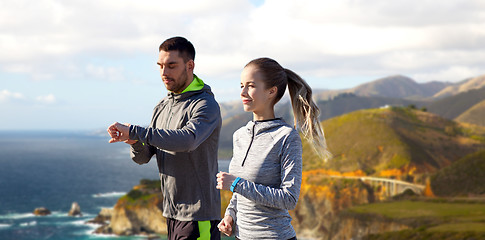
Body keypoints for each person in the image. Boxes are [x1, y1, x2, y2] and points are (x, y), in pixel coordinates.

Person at [107, 36, 222, 240]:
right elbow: (143, 157)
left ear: (190, 65)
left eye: (171, 66)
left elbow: (187, 140)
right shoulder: (162, 106)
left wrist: (136, 131)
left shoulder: (205, 105)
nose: (164, 73)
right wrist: (134, 142)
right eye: (160, 66)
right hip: (171, 214)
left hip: (199, 215)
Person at [216, 57, 330, 239]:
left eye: (251, 86)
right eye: (241, 86)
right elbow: (239, 193)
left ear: (271, 91)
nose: (243, 92)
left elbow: (289, 199)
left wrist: (236, 183)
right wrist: (231, 215)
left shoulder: (286, 137)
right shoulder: (239, 136)